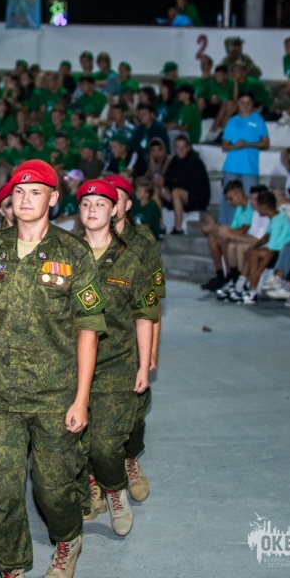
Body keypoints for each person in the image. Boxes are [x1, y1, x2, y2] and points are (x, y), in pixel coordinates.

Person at [0, 160, 107, 578]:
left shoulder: (73, 253)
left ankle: (67, 538)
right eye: (19, 192)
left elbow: (88, 331)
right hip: (0, 395)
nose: (26, 199)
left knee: (54, 490)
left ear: (53, 198)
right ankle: (11, 565)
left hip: (56, 396)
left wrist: (82, 399)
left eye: (36, 192)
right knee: (4, 491)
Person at [75, 178, 156, 537]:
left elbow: (144, 314)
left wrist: (144, 364)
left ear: (113, 211)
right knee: (78, 441)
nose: (92, 210)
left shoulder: (130, 259)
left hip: (116, 363)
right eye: (86, 204)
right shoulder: (65, 254)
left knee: (107, 444)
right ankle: (92, 484)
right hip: (69, 364)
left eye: (100, 204)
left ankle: (114, 491)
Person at [105, 175, 165, 503]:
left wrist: (151, 351)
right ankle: (96, 477)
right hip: (97, 336)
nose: (111, 204)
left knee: (135, 407)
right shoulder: (84, 239)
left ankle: (130, 460)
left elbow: (153, 300)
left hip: (133, 337)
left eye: (116, 198)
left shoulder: (143, 241)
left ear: (127, 204)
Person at [220, 91, 269, 225]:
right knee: (229, 200)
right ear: (238, 103)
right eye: (242, 102)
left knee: (251, 200)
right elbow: (224, 145)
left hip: (249, 167)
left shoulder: (258, 119)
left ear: (252, 104)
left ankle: (250, 227)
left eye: (248, 102)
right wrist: (235, 146)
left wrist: (248, 144)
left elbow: (265, 143)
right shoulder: (232, 121)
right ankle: (228, 227)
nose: (245, 105)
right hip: (232, 166)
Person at [161, 135, 211, 234]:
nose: (180, 150)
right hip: (182, 195)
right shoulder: (175, 161)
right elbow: (167, 179)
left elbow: (190, 185)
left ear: (188, 148)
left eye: (183, 147)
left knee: (176, 192)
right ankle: (160, 226)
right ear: (174, 148)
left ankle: (178, 227)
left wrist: (170, 183)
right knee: (156, 190)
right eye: (178, 147)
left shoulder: (195, 162)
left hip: (198, 198)